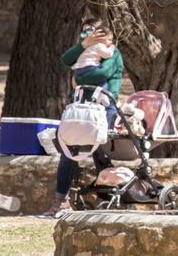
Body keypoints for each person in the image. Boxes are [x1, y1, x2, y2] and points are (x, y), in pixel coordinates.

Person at [47, 18, 123, 216]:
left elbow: (102, 73)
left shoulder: (111, 51)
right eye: (84, 32)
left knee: (100, 152)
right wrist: (83, 45)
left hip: (104, 108)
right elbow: (65, 59)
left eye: (91, 31)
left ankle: (107, 198)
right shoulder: (85, 50)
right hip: (81, 109)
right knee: (69, 152)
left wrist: (77, 78)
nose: (86, 35)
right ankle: (60, 199)